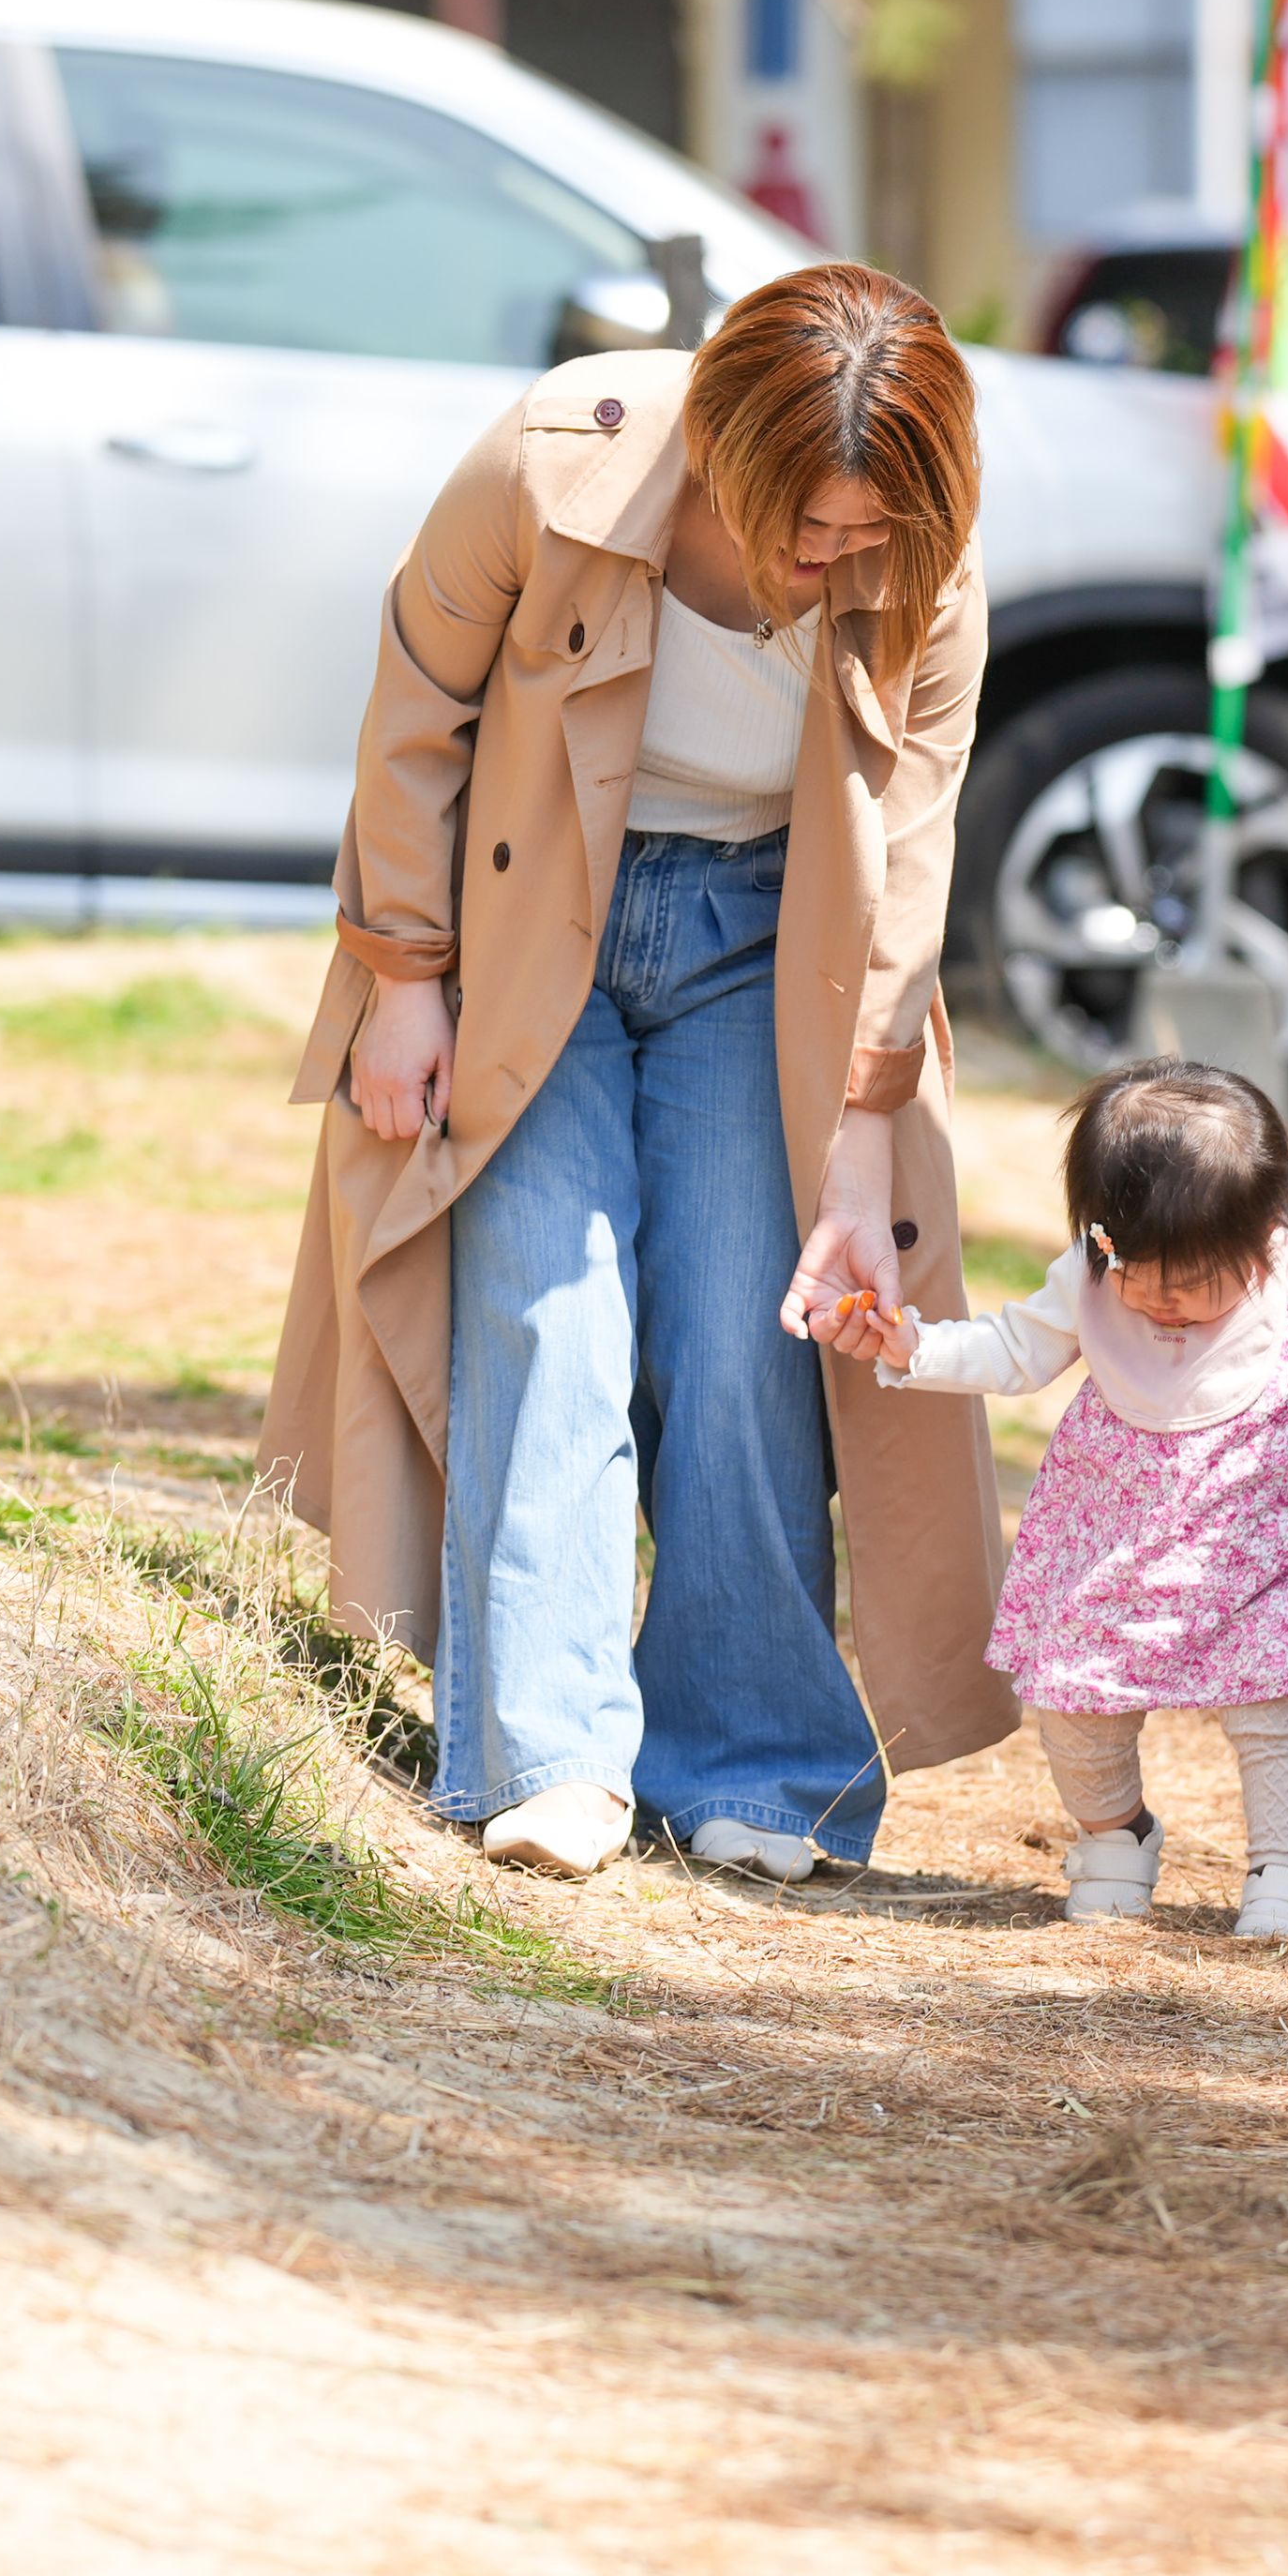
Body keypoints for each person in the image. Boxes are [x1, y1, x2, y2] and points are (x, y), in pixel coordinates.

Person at [262, 264, 1011, 1884]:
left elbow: (909, 854)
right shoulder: (551, 459)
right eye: (802, 528)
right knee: (551, 1308)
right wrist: (401, 975)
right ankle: (553, 1752)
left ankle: (751, 1760)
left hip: (768, 940)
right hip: (529, 932)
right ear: (716, 448)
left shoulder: (926, 568)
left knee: (750, 1334)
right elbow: (414, 712)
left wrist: (866, 1142)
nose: (832, 563)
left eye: (866, 536)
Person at [831, 1048, 1288, 1941]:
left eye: (1195, 1285)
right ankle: (1116, 1837)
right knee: (1077, 1700)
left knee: (1274, 1707)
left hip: (1270, 1544)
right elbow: (1015, 1349)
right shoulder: (1094, 1274)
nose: (1160, 1306)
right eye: (1137, 1276)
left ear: (1261, 1229)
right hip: (1120, 1550)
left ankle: (1286, 1874)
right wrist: (911, 1348)